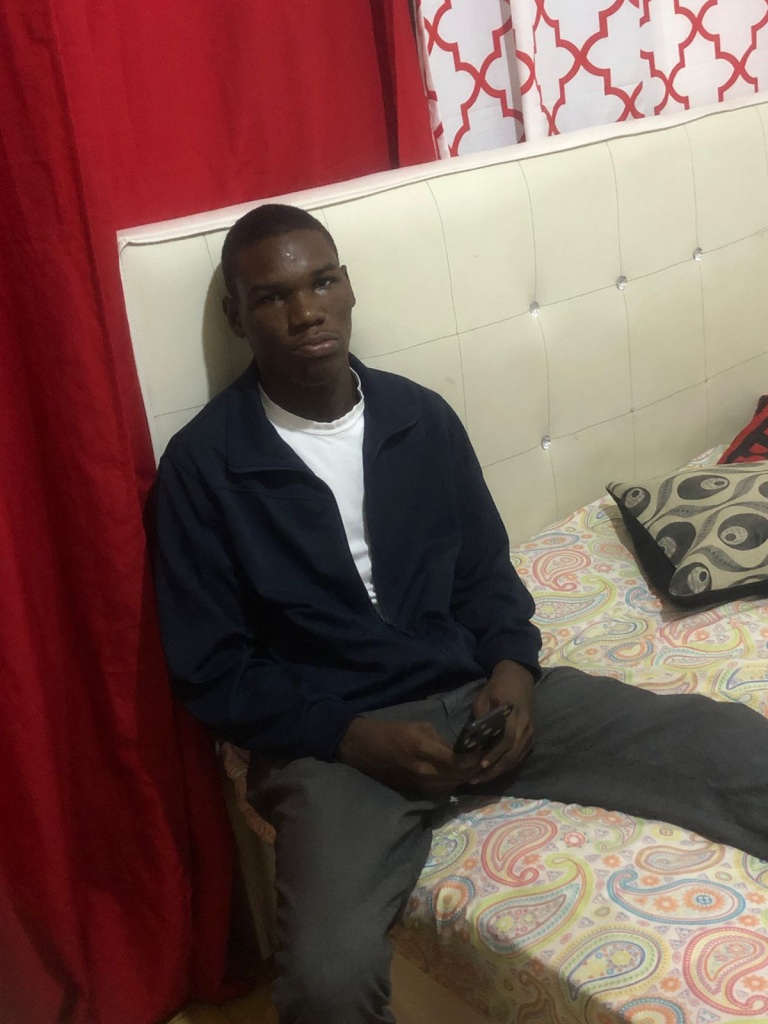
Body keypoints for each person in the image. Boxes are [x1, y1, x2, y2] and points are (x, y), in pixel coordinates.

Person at [153, 204, 768, 1024]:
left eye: (322, 282)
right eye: (272, 297)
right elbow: (214, 670)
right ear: (238, 317)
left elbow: (485, 575)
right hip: (338, 744)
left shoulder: (420, 418)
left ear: (348, 287)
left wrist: (513, 674)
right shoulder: (204, 468)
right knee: (327, 981)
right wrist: (349, 736)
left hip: (479, 692)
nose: (305, 312)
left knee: (735, 747)